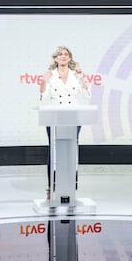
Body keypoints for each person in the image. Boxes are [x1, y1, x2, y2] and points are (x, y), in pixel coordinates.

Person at [39, 46, 91, 198]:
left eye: (66, 54)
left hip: (73, 117)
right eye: (60, 54)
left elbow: (86, 95)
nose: (63, 56)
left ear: (70, 58)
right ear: (55, 58)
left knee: (71, 151)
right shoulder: (51, 75)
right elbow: (43, 97)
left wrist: (83, 78)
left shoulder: (76, 74)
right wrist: (43, 80)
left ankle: (71, 187)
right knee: (53, 151)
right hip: (55, 117)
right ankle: (50, 186)